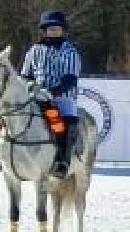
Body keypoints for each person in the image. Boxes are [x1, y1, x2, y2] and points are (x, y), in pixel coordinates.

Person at [19, 11, 84, 176]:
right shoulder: (34, 50)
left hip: (61, 96)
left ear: (63, 30)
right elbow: (26, 75)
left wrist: (51, 92)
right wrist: (30, 86)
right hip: (35, 95)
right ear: (44, 30)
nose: (53, 31)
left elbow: (70, 79)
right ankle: (4, 155)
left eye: (57, 28)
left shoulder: (70, 51)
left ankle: (63, 160)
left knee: (65, 123)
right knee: (10, 115)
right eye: (50, 28)